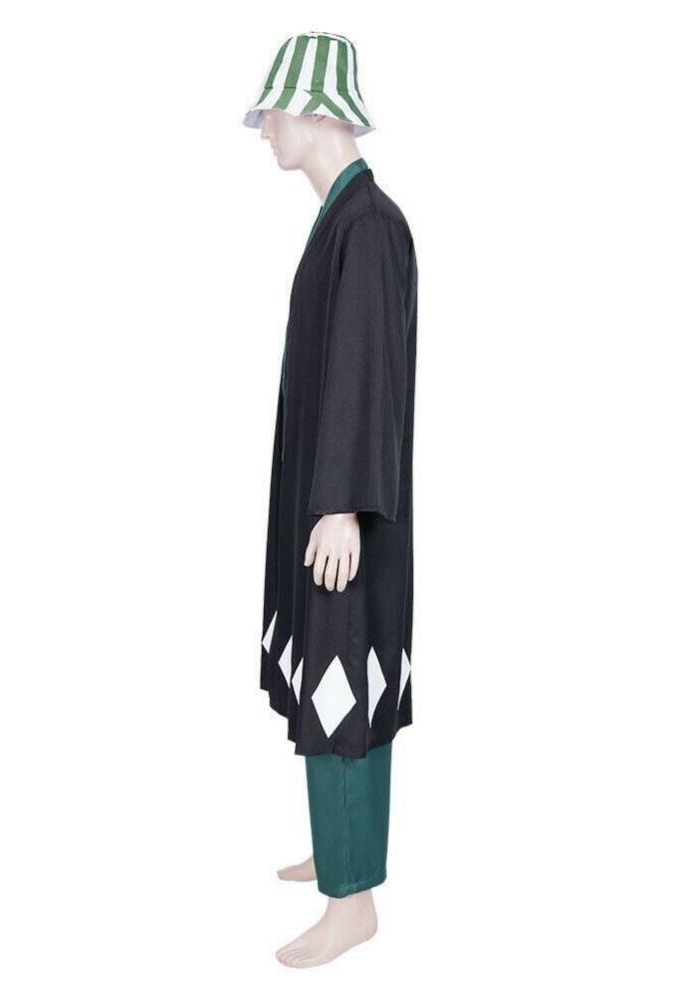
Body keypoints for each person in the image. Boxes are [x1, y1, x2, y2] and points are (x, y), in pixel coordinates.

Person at [243, 32, 419, 968]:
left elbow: (366, 370)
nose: (264, 128)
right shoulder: (343, 220)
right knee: (326, 674)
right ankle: (336, 845)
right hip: (324, 504)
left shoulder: (369, 226)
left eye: (273, 110)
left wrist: (344, 504)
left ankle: (353, 903)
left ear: (316, 111)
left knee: (345, 680)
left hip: (345, 515)